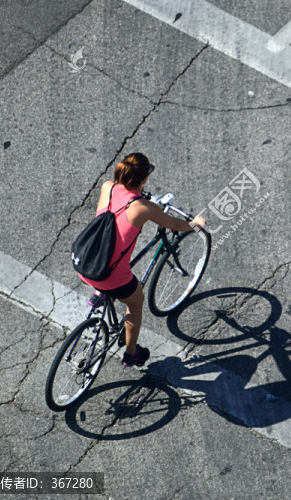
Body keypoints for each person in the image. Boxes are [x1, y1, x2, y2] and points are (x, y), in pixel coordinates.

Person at [79, 153, 206, 367]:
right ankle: (131, 354)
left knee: (111, 251)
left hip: (85, 263)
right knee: (135, 302)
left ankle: (99, 294)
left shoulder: (107, 187)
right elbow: (174, 225)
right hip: (111, 277)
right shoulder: (143, 208)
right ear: (144, 179)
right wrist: (195, 224)